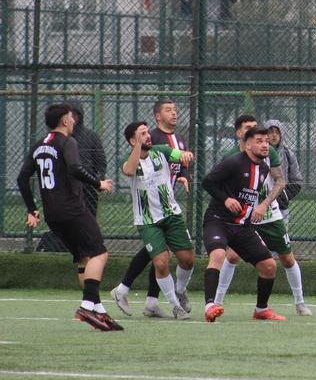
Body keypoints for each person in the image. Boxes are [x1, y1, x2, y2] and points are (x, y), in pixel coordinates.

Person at [16, 103, 122, 331]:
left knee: (84, 258)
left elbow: (22, 178)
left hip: (52, 214)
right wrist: (98, 183)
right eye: (71, 118)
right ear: (64, 120)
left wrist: (32, 208)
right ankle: (86, 306)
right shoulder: (67, 142)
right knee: (100, 253)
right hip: (72, 209)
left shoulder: (39, 145)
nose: (74, 121)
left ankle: (98, 310)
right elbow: (74, 168)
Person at [213, 114, 311, 316]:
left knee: (287, 258)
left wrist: (264, 205)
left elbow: (280, 181)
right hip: (244, 217)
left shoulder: (269, 153)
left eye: (255, 126)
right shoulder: (231, 157)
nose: (253, 130)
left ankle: (300, 302)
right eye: (247, 127)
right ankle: (217, 302)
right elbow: (220, 186)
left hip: (269, 215)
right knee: (232, 256)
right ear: (239, 133)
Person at [112, 98, 192, 318]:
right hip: (148, 221)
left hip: (171, 214)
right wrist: (138, 146)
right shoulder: (129, 160)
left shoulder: (161, 150)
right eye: (142, 133)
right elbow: (129, 171)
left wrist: (184, 157)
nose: (148, 136)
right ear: (132, 140)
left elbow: (176, 155)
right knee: (160, 262)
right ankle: (175, 306)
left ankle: (179, 291)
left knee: (188, 259)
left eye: (148, 132)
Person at [201, 126, 287, 322]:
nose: (265, 145)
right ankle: (210, 305)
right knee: (218, 255)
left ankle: (261, 310)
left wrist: (261, 207)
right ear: (247, 145)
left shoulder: (264, 168)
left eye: (266, 141)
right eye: (259, 141)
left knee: (269, 266)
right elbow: (207, 182)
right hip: (218, 220)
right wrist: (226, 199)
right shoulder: (233, 162)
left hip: (242, 226)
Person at [66, 101, 107, 218]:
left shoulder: (91, 136)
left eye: (75, 115)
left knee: (89, 220)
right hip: (66, 187)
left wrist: (98, 179)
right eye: (69, 115)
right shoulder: (60, 137)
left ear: (80, 116)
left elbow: (101, 161)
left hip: (88, 187)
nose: (72, 119)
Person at [265, 119, 305, 226]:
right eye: (270, 132)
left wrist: (284, 196)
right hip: (261, 203)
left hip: (281, 205)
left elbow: (297, 180)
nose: (274, 135)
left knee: (282, 232)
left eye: (277, 132)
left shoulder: (288, 154)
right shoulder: (258, 153)